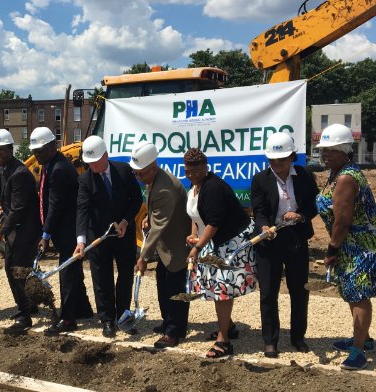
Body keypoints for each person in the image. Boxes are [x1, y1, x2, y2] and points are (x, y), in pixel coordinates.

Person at [315, 123, 376, 370]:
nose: (325, 154)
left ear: (345, 150)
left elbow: (342, 221)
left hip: (367, 240)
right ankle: (362, 337)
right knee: (352, 289)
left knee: (358, 292)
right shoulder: (336, 173)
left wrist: (331, 249)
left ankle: (359, 350)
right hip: (352, 239)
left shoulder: (346, 178)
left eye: (331, 150)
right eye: (323, 150)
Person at [250, 132, 319, 357]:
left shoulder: (304, 176)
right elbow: (259, 211)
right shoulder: (260, 180)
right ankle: (270, 340)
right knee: (268, 292)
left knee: (299, 290)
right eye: (272, 160)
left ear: (291, 157)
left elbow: (314, 205)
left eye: (281, 160)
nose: (277, 165)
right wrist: (264, 227)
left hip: (296, 238)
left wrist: (300, 215)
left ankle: (298, 337)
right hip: (269, 241)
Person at [184, 148, 257, 358]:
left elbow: (214, 223)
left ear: (205, 168)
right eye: (188, 171)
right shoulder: (195, 185)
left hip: (229, 243)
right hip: (212, 242)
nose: (191, 175)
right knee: (215, 288)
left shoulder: (213, 188)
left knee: (222, 291)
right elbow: (196, 214)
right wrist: (193, 234)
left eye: (195, 171)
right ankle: (229, 326)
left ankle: (224, 341)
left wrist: (197, 248)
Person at [29, 127, 95, 336]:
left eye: (40, 150)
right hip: (65, 230)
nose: (37, 155)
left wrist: (45, 234)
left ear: (53, 146)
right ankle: (83, 308)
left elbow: (55, 206)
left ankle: (67, 319)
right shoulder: (50, 165)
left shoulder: (59, 169)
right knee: (73, 272)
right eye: (35, 151)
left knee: (67, 275)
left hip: (69, 231)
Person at [75, 135, 142, 338]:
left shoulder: (123, 171)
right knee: (101, 279)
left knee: (125, 276)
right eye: (89, 163)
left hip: (124, 235)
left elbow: (136, 199)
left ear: (106, 155)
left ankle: (123, 316)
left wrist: (126, 221)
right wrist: (81, 241)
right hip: (99, 237)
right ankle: (107, 320)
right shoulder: (85, 180)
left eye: (95, 162)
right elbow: (82, 210)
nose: (92, 166)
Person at [131, 142, 190, 348]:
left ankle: (174, 332)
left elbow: (157, 228)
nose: (138, 177)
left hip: (176, 246)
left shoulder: (165, 188)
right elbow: (156, 211)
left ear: (153, 168)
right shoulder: (154, 178)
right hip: (167, 246)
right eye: (136, 173)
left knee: (175, 291)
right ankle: (168, 322)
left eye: (141, 173)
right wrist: (149, 216)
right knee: (163, 285)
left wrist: (143, 257)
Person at [0, 128, 41, 334]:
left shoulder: (19, 173)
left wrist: (0, 233)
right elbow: (9, 202)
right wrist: (3, 208)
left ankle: (24, 316)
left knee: (17, 272)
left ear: (11, 149)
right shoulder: (6, 170)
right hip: (16, 229)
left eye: (1, 150)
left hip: (25, 231)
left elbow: (18, 209)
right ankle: (29, 305)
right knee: (17, 270)